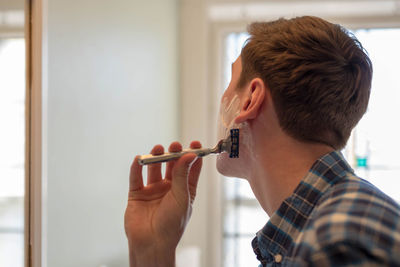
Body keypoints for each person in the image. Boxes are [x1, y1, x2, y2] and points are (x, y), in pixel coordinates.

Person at [124, 16, 400, 266]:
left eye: (231, 81)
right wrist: (153, 251)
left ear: (250, 99)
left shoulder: (335, 242)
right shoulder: (318, 232)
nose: (222, 99)